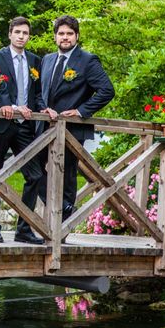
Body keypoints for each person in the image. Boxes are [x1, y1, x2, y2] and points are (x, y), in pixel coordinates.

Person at [39, 15, 115, 222]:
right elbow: (39, 92)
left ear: (77, 36)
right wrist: (42, 108)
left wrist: (81, 111)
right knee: (34, 169)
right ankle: (59, 207)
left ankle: (62, 225)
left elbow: (107, 90)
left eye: (69, 34)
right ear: (55, 37)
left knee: (67, 174)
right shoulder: (46, 60)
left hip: (72, 129)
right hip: (43, 127)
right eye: (61, 34)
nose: (65, 38)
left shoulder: (88, 60)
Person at [0, 16, 45, 244]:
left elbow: (36, 92)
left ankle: (24, 229)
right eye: (17, 32)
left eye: (25, 33)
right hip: (1, 124)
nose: (21, 36)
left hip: (25, 127)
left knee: (35, 174)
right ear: (9, 34)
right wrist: (7, 104)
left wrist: (43, 108)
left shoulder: (35, 61)